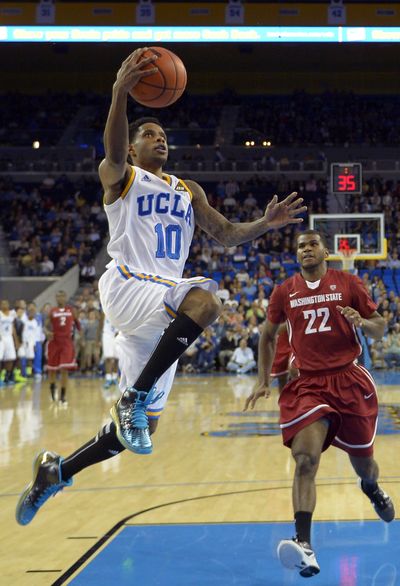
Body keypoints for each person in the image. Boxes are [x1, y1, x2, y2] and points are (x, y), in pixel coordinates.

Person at [16, 47, 306, 526]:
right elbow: (110, 150)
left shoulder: (188, 189)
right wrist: (118, 94)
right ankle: (130, 397)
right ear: (133, 148)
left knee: (136, 433)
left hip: (160, 312)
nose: (160, 139)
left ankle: (56, 472)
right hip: (132, 284)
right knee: (208, 301)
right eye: (149, 134)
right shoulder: (121, 176)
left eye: (164, 134)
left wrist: (265, 223)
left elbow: (227, 234)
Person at [244, 229, 395, 578]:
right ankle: (304, 544)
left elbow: (381, 326)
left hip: (349, 380)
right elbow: (268, 336)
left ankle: (371, 487)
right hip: (309, 384)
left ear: (326, 250)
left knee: (364, 466)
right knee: (305, 459)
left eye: (312, 244)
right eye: (300, 246)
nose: (305, 249)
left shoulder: (348, 283)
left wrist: (364, 322)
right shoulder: (285, 291)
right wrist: (264, 379)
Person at [45, 290, 80, 405]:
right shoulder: (52, 311)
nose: (60, 298)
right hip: (54, 342)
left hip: (66, 343)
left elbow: (78, 325)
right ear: (56, 298)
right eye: (58, 296)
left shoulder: (71, 310)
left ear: (66, 297)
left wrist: (80, 338)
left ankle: (62, 396)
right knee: (52, 370)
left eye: (62, 296)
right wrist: (47, 332)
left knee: (64, 369)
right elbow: (44, 326)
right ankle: (52, 390)